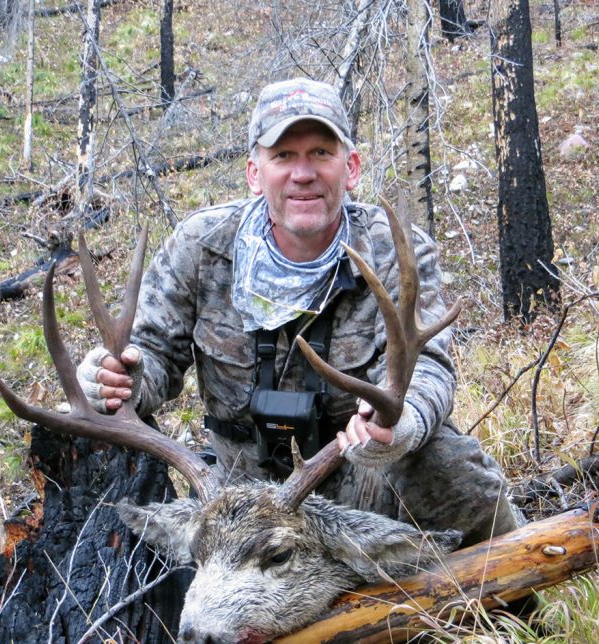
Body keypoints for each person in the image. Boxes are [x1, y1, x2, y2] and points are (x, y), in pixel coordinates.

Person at [77, 78, 519, 546]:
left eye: (320, 154)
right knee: (98, 444)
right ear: (254, 172)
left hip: (362, 478)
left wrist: (402, 420)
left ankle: (524, 600)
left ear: (350, 168)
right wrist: (115, 378)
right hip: (237, 499)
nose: (302, 173)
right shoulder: (201, 246)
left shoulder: (396, 252)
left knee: (451, 466)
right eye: (283, 156)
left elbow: (428, 366)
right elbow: (151, 356)